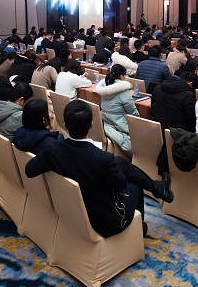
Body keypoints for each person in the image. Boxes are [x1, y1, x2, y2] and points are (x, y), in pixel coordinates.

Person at [25, 100, 173, 237]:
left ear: (65, 124)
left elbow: (29, 170)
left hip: (71, 210)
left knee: (120, 162)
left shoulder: (52, 149)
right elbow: (121, 185)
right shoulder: (102, 158)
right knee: (135, 186)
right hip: (105, 220)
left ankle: (158, 189)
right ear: (91, 124)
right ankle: (140, 227)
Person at [94, 64, 139, 155]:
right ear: (122, 76)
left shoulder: (105, 87)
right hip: (120, 125)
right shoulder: (123, 91)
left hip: (106, 121)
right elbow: (133, 113)